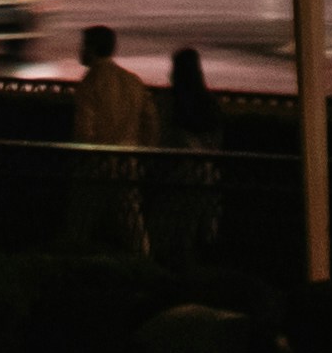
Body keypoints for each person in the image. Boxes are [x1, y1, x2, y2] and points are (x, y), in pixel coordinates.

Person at [64, 23, 153, 255]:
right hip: (127, 162)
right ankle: (144, 263)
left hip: (97, 165)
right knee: (132, 223)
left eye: (83, 46)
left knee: (80, 223)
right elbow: (150, 123)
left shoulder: (90, 83)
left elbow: (84, 130)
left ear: (92, 48)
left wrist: (80, 159)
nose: (80, 51)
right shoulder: (133, 81)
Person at [152, 39, 224, 263]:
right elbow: (217, 142)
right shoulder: (210, 103)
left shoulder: (168, 102)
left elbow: (160, 139)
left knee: (167, 231)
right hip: (205, 177)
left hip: (175, 175)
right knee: (193, 232)